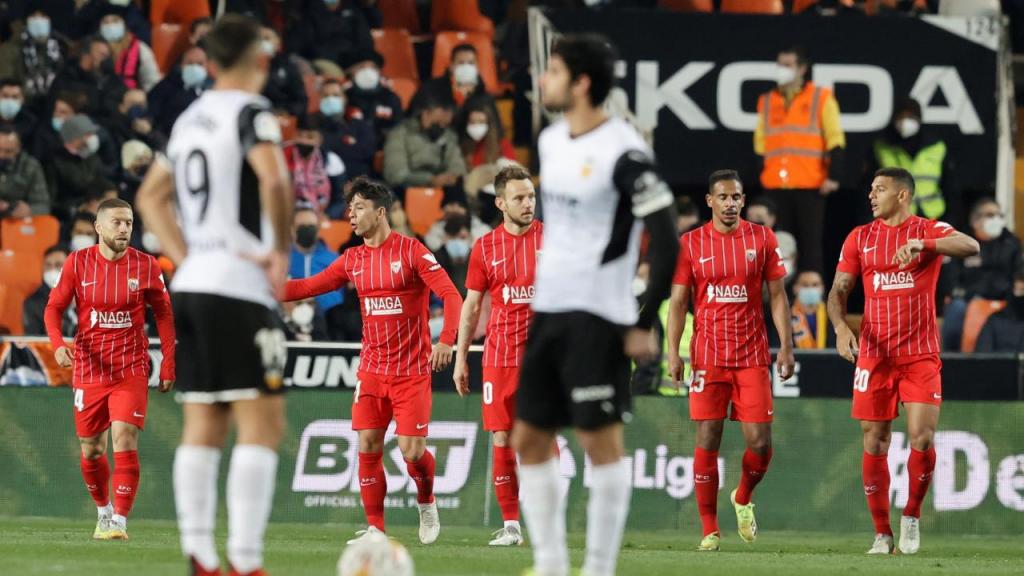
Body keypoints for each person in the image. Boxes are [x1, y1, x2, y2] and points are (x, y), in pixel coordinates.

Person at [511, 34, 678, 576]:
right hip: (548, 310)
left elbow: (667, 236)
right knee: (529, 438)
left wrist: (641, 319)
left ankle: (599, 568)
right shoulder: (552, 140)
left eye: (554, 70)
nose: (544, 80)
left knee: (598, 444)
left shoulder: (624, 152)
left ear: (581, 83)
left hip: (599, 316)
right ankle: (552, 565)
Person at [135, 15, 294, 576]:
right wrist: (279, 250)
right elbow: (273, 179)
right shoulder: (252, 113)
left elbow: (150, 197)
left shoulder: (188, 119)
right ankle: (246, 561)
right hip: (238, 284)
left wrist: (187, 255)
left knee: (203, 422)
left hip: (194, 283)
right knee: (262, 422)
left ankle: (200, 556)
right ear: (257, 59)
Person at [282, 176, 462, 545]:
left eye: (359, 208)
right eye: (349, 209)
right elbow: (308, 287)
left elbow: (451, 295)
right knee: (367, 445)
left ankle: (426, 500)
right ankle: (376, 529)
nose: (351, 215)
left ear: (380, 213)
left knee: (412, 452)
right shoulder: (353, 259)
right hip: (372, 371)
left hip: (411, 372)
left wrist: (447, 341)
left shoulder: (412, 252)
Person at [827, 167, 979, 555]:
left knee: (921, 437)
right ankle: (883, 534)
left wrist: (924, 246)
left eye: (881, 190)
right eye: (872, 190)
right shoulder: (860, 237)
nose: (872, 196)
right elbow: (838, 291)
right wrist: (842, 329)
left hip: (919, 355)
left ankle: (911, 515)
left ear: (903, 195)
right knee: (874, 440)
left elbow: (971, 246)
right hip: (875, 355)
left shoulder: (930, 230)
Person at [666, 169, 794, 552]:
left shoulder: (762, 238)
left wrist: (786, 346)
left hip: (752, 356)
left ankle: (742, 496)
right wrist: (674, 352)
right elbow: (676, 303)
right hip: (707, 357)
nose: (730, 204)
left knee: (760, 443)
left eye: (736, 197)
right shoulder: (690, 244)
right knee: (707, 437)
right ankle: (709, 528)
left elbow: (777, 296)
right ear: (710, 201)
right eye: (723, 197)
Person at [43, 197, 176, 541]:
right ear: (98, 227)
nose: (124, 229)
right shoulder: (78, 263)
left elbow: (163, 314)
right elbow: (53, 309)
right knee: (92, 448)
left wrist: (168, 365)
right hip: (89, 367)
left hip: (130, 366)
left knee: (124, 437)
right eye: (117, 222)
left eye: (129, 222)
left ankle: (119, 520)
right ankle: (102, 511)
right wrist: (58, 345)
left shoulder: (147, 266)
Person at [453, 165, 540, 546]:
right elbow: (471, 307)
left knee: (540, 438)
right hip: (499, 356)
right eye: (519, 198)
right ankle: (511, 526)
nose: (528, 204)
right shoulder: (485, 248)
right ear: (501, 202)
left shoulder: (553, 240)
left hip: (542, 357)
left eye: (532, 196)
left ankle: (545, 519)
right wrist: (460, 359)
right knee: (502, 438)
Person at [754, 45, 845, 275]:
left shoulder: (821, 97)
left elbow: (835, 139)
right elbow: (760, 144)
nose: (781, 70)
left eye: (787, 65)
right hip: (775, 186)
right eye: (779, 65)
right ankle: (778, 300)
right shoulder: (766, 101)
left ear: (802, 68)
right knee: (776, 247)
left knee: (810, 247)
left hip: (810, 185)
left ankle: (812, 304)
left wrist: (834, 176)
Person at [940, 198, 1023, 350]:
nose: (996, 220)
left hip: (1003, 300)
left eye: (999, 215)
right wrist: (967, 295)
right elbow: (951, 278)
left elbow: (1018, 276)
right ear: (975, 220)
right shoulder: (961, 243)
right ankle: (951, 361)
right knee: (956, 308)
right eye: (990, 215)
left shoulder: (1011, 243)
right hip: (967, 299)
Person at [871, 97, 958, 225]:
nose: (905, 122)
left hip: (933, 218)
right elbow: (869, 189)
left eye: (910, 117)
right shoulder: (881, 147)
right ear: (894, 119)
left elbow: (950, 187)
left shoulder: (936, 147)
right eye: (901, 117)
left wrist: (951, 221)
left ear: (919, 119)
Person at [383, 88, 466, 191]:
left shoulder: (448, 135)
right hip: (408, 188)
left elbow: (457, 165)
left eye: (445, 125)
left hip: (443, 189)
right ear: (426, 114)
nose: (441, 128)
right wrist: (429, 180)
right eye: (438, 124)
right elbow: (395, 174)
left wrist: (452, 177)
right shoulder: (400, 134)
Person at [289, 204, 350, 341]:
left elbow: (338, 297)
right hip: (290, 320)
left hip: (327, 323)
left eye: (311, 226)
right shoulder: (282, 259)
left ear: (317, 230)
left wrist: (315, 301)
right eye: (302, 226)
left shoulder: (334, 259)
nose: (307, 230)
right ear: (292, 230)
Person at [47, 114, 117, 220]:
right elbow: (50, 200)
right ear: (74, 137)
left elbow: (101, 180)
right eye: (88, 134)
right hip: (68, 216)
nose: (93, 138)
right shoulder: (53, 162)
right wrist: (79, 208)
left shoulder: (91, 156)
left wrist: (110, 192)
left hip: (94, 208)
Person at [284, 0, 373, 76]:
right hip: (323, 61)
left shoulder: (353, 8)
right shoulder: (309, 12)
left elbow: (365, 41)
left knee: (369, 67)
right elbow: (302, 45)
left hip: (352, 59)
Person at [0, 9, 68, 106]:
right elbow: (5, 81)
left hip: (54, 106)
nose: (39, 21)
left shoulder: (60, 47)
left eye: (43, 16)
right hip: (22, 104)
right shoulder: (11, 48)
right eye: (34, 17)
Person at [49, 36, 125, 121]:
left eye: (108, 56)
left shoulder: (108, 79)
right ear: (86, 56)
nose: (106, 61)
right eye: (102, 55)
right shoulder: (66, 79)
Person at [316, 77, 376, 179]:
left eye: (336, 95)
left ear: (344, 99)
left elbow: (367, 152)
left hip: (358, 184)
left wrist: (331, 146)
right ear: (320, 100)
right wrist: (346, 145)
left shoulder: (360, 125)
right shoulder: (311, 125)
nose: (330, 99)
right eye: (325, 96)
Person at [285, 114, 346, 215]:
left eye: (310, 137)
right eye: (300, 135)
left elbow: (339, 200)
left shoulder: (331, 160)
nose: (304, 141)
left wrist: (328, 216)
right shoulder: (282, 157)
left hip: (322, 216)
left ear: (319, 140)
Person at [148, 45, 212, 136]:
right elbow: (152, 107)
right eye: (190, 63)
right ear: (182, 65)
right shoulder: (168, 84)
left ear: (207, 66)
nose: (195, 68)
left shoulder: (214, 93)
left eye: (200, 64)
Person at [341, 49, 403, 142]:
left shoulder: (390, 97)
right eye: (361, 67)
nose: (368, 72)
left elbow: (398, 127)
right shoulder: (344, 97)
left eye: (373, 67)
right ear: (350, 72)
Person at [98, 8, 160, 91]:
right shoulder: (93, 49)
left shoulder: (141, 49)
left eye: (115, 21)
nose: (110, 26)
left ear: (124, 24)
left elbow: (152, 82)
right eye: (106, 22)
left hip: (131, 96)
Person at [23, 244, 75, 336]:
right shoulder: (33, 303)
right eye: (48, 265)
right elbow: (35, 342)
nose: (52, 270)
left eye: (58, 265)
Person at [455, 94, 515, 169]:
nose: (476, 126)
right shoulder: (460, 146)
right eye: (472, 122)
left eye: (481, 122)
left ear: (489, 123)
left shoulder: (503, 145)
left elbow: (512, 173)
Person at [745, 196, 797, 282]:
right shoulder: (740, 240)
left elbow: (783, 271)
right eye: (749, 217)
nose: (753, 222)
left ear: (772, 219)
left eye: (759, 218)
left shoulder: (782, 238)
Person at [0, 127, 49, 217]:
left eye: (8, 151)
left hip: (15, 223)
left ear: (18, 149)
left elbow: (43, 205)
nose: (2, 155)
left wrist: (29, 210)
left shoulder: (30, 167)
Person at [259, 26, 306, 118]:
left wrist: (287, 112)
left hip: (281, 115)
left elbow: (300, 100)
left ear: (278, 42)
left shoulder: (289, 66)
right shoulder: (245, 66)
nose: (262, 42)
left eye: (266, 38)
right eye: (258, 39)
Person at [423, 43, 489, 109]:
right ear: (451, 66)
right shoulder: (432, 90)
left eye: (471, 63)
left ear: (477, 67)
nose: (466, 67)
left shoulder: (484, 95)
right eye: (461, 63)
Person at [790, 270, 834, 349]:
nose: (810, 288)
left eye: (815, 285)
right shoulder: (785, 315)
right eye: (805, 285)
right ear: (795, 288)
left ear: (822, 288)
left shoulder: (833, 316)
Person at [433, 213, 472, 295]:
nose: (458, 242)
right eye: (453, 237)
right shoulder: (434, 261)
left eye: (462, 237)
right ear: (445, 237)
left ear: (470, 237)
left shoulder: (479, 260)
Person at [0, 79, 38, 145]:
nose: (9, 101)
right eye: (5, 96)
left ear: (22, 99)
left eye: (15, 97)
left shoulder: (32, 124)